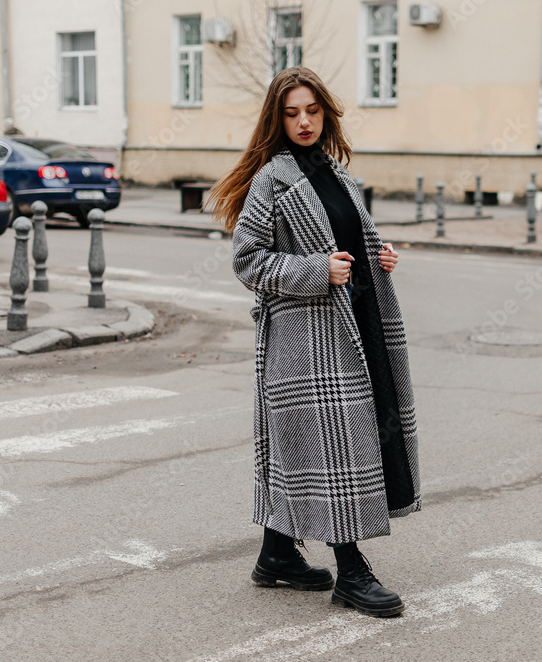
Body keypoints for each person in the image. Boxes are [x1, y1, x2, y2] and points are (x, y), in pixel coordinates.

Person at [209, 67, 421, 618]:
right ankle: (352, 572)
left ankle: (277, 554)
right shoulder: (272, 181)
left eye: (312, 110)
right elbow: (247, 261)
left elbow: (345, 243)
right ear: (276, 120)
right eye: (291, 113)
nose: (304, 122)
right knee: (334, 451)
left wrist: (378, 256)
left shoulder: (337, 174)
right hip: (304, 341)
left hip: (354, 325)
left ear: (325, 112)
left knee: (317, 452)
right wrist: (315, 271)